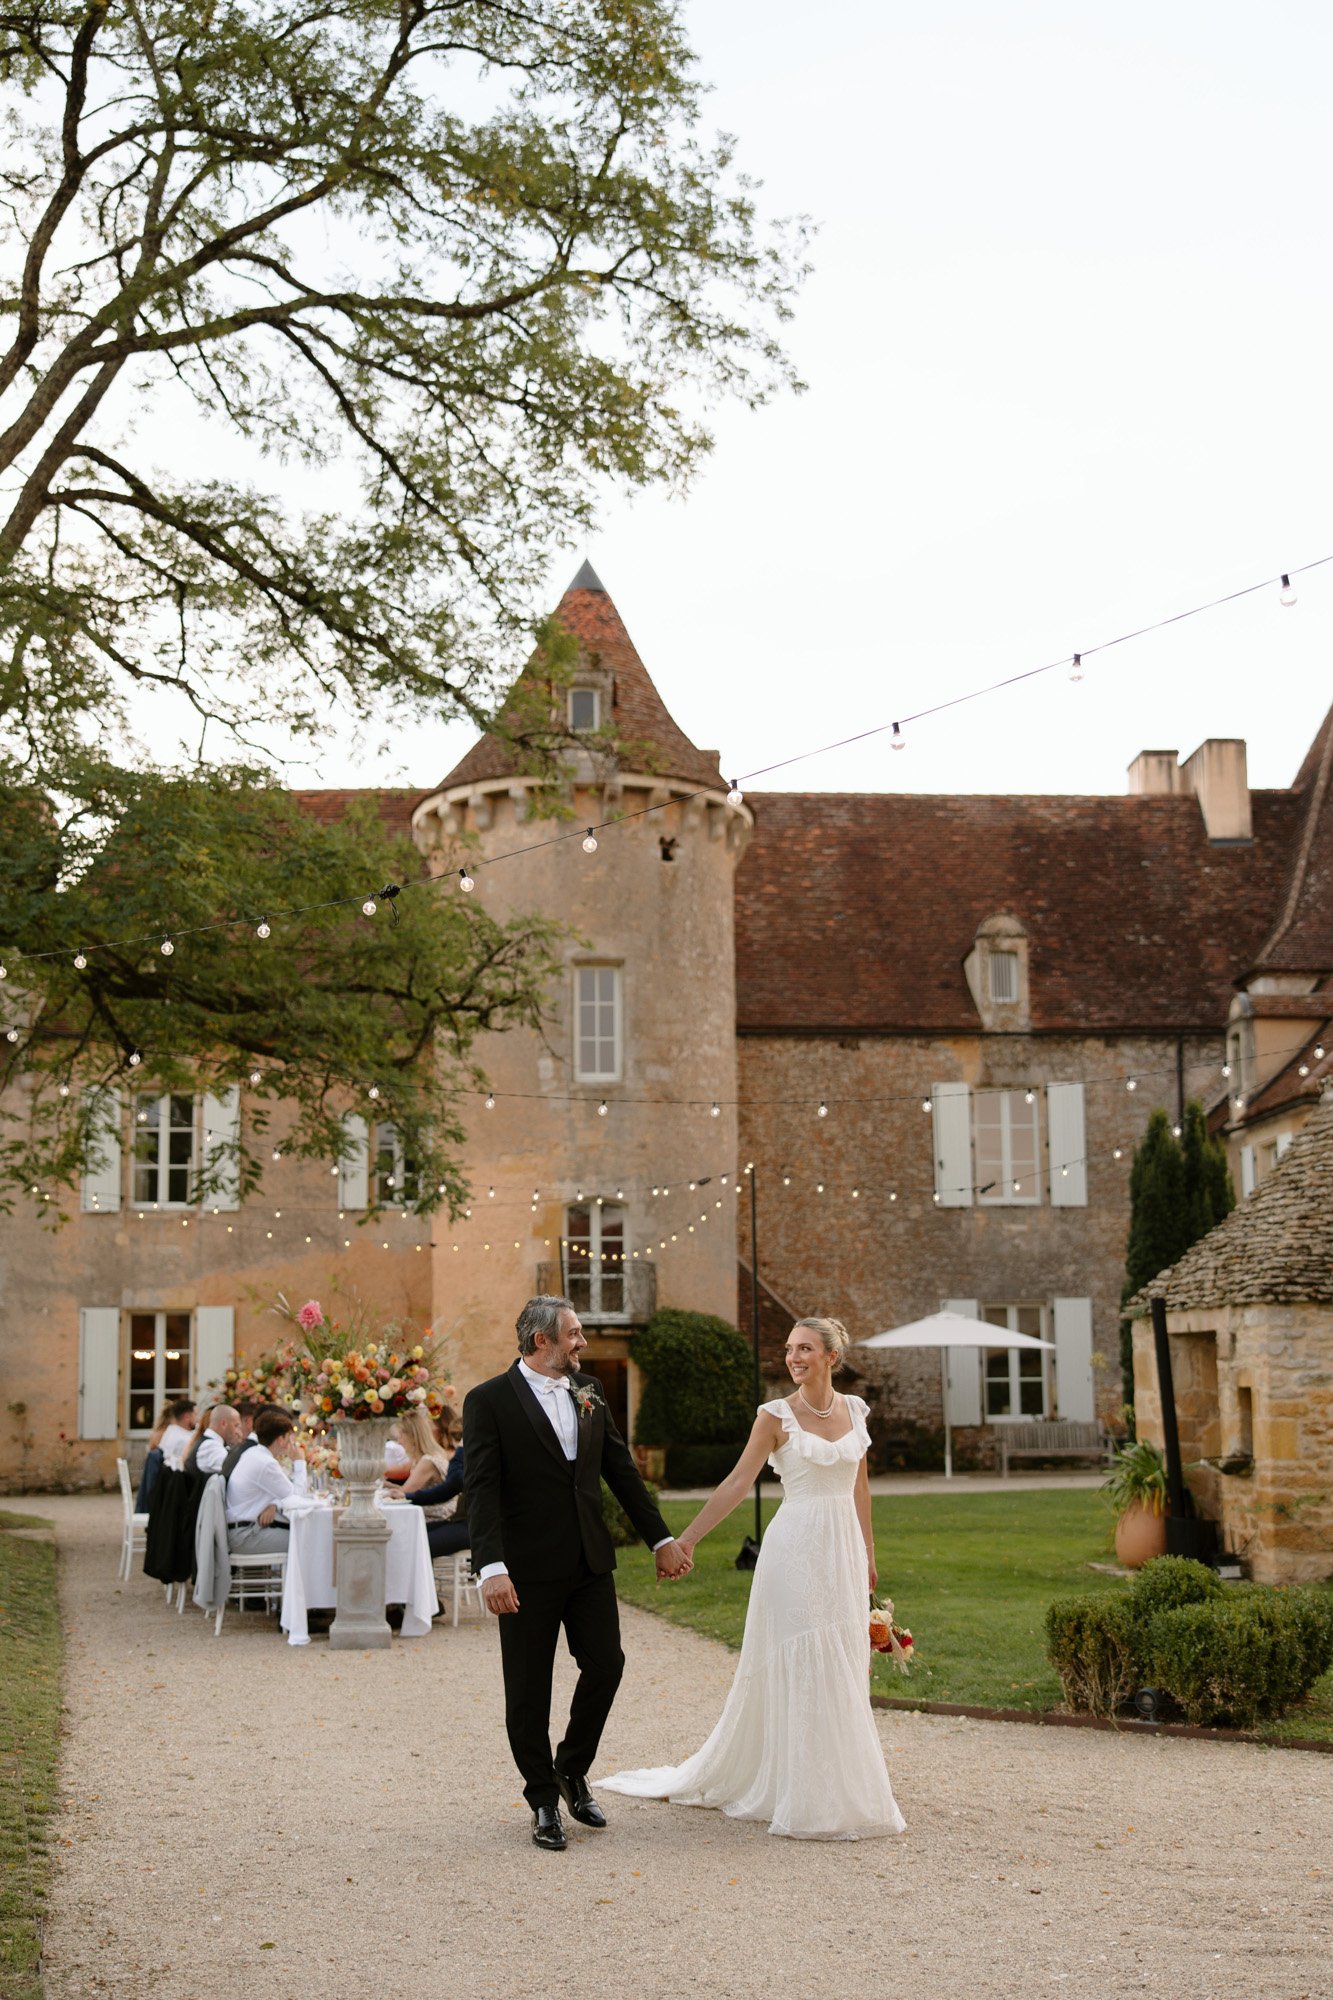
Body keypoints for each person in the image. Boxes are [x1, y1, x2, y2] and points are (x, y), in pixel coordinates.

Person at [596, 1316, 906, 1842]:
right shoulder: (775, 1416)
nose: (794, 1357)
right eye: (789, 1350)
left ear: (832, 1356)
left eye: (805, 1348)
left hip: (842, 1553)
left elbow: (861, 1490)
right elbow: (738, 1482)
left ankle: (843, 1782)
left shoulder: (856, 1411)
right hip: (793, 1550)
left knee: (843, 1661)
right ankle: (802, 1792)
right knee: (804, 1655)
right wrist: (687, 1539)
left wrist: (869, 1552)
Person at [464, 1295, 691, 1852]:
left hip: (590, 1563)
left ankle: (570, 1768)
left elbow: (619, 1469)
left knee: (606, 1664)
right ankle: (542, 1797)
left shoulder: (588, 1392)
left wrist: (660, 1538)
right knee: (528, 1687)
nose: (582, 1342)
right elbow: (483, 1491)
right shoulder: (488, 1401)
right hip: (523, 1570)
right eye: (573, 1333)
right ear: (541, 1341)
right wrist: (491, 1567)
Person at [224, 1408, 307, 1553]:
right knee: (307, 1539)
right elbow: (296, 1499)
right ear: (281, 1439)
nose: (291, 1442)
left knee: (304, 1534)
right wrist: (299, 1462)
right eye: (290, 1437)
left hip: (241, 1530)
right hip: (244, 1536)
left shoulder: (254, 1453)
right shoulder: (265, 1462)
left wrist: (274, 1503)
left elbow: (283, 1494)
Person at [399, 1411, 469, 1560]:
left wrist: (462, 1449)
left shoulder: (475, 1455)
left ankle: (421, 1583)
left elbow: (456, 1480)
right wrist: (407, 1496)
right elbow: (446, 1491)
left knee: (417, 1544)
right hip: (459, 1521)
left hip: (475, 1527)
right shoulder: (466, 1457)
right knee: (405, 1537)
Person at [192, 1404, 243, 1476]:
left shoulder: (211, 1443)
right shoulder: (210, 1445)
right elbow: (237, 1470)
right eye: (236, 1425)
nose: (237, 1431)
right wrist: (239, 1446)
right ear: (223, 1424)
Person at [157, 1399, 197, 1465]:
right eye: (195, 1415)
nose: (198, 1418)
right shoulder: (182, 1439)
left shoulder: (173, 1430)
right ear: (186, 1417)